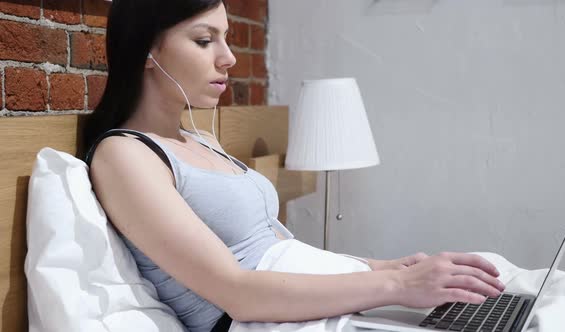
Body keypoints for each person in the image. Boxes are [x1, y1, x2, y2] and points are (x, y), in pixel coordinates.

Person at [82, 1, 505, 331]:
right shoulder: (125, 155)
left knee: (495, 290)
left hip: (308, 308)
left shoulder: (202, 140)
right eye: (204, 40)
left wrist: (385, 267)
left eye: (226, 38)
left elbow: (275, 246)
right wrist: (398, 287)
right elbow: (237, 292)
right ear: (146, 51)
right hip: (258, 320)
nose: (228, 57)